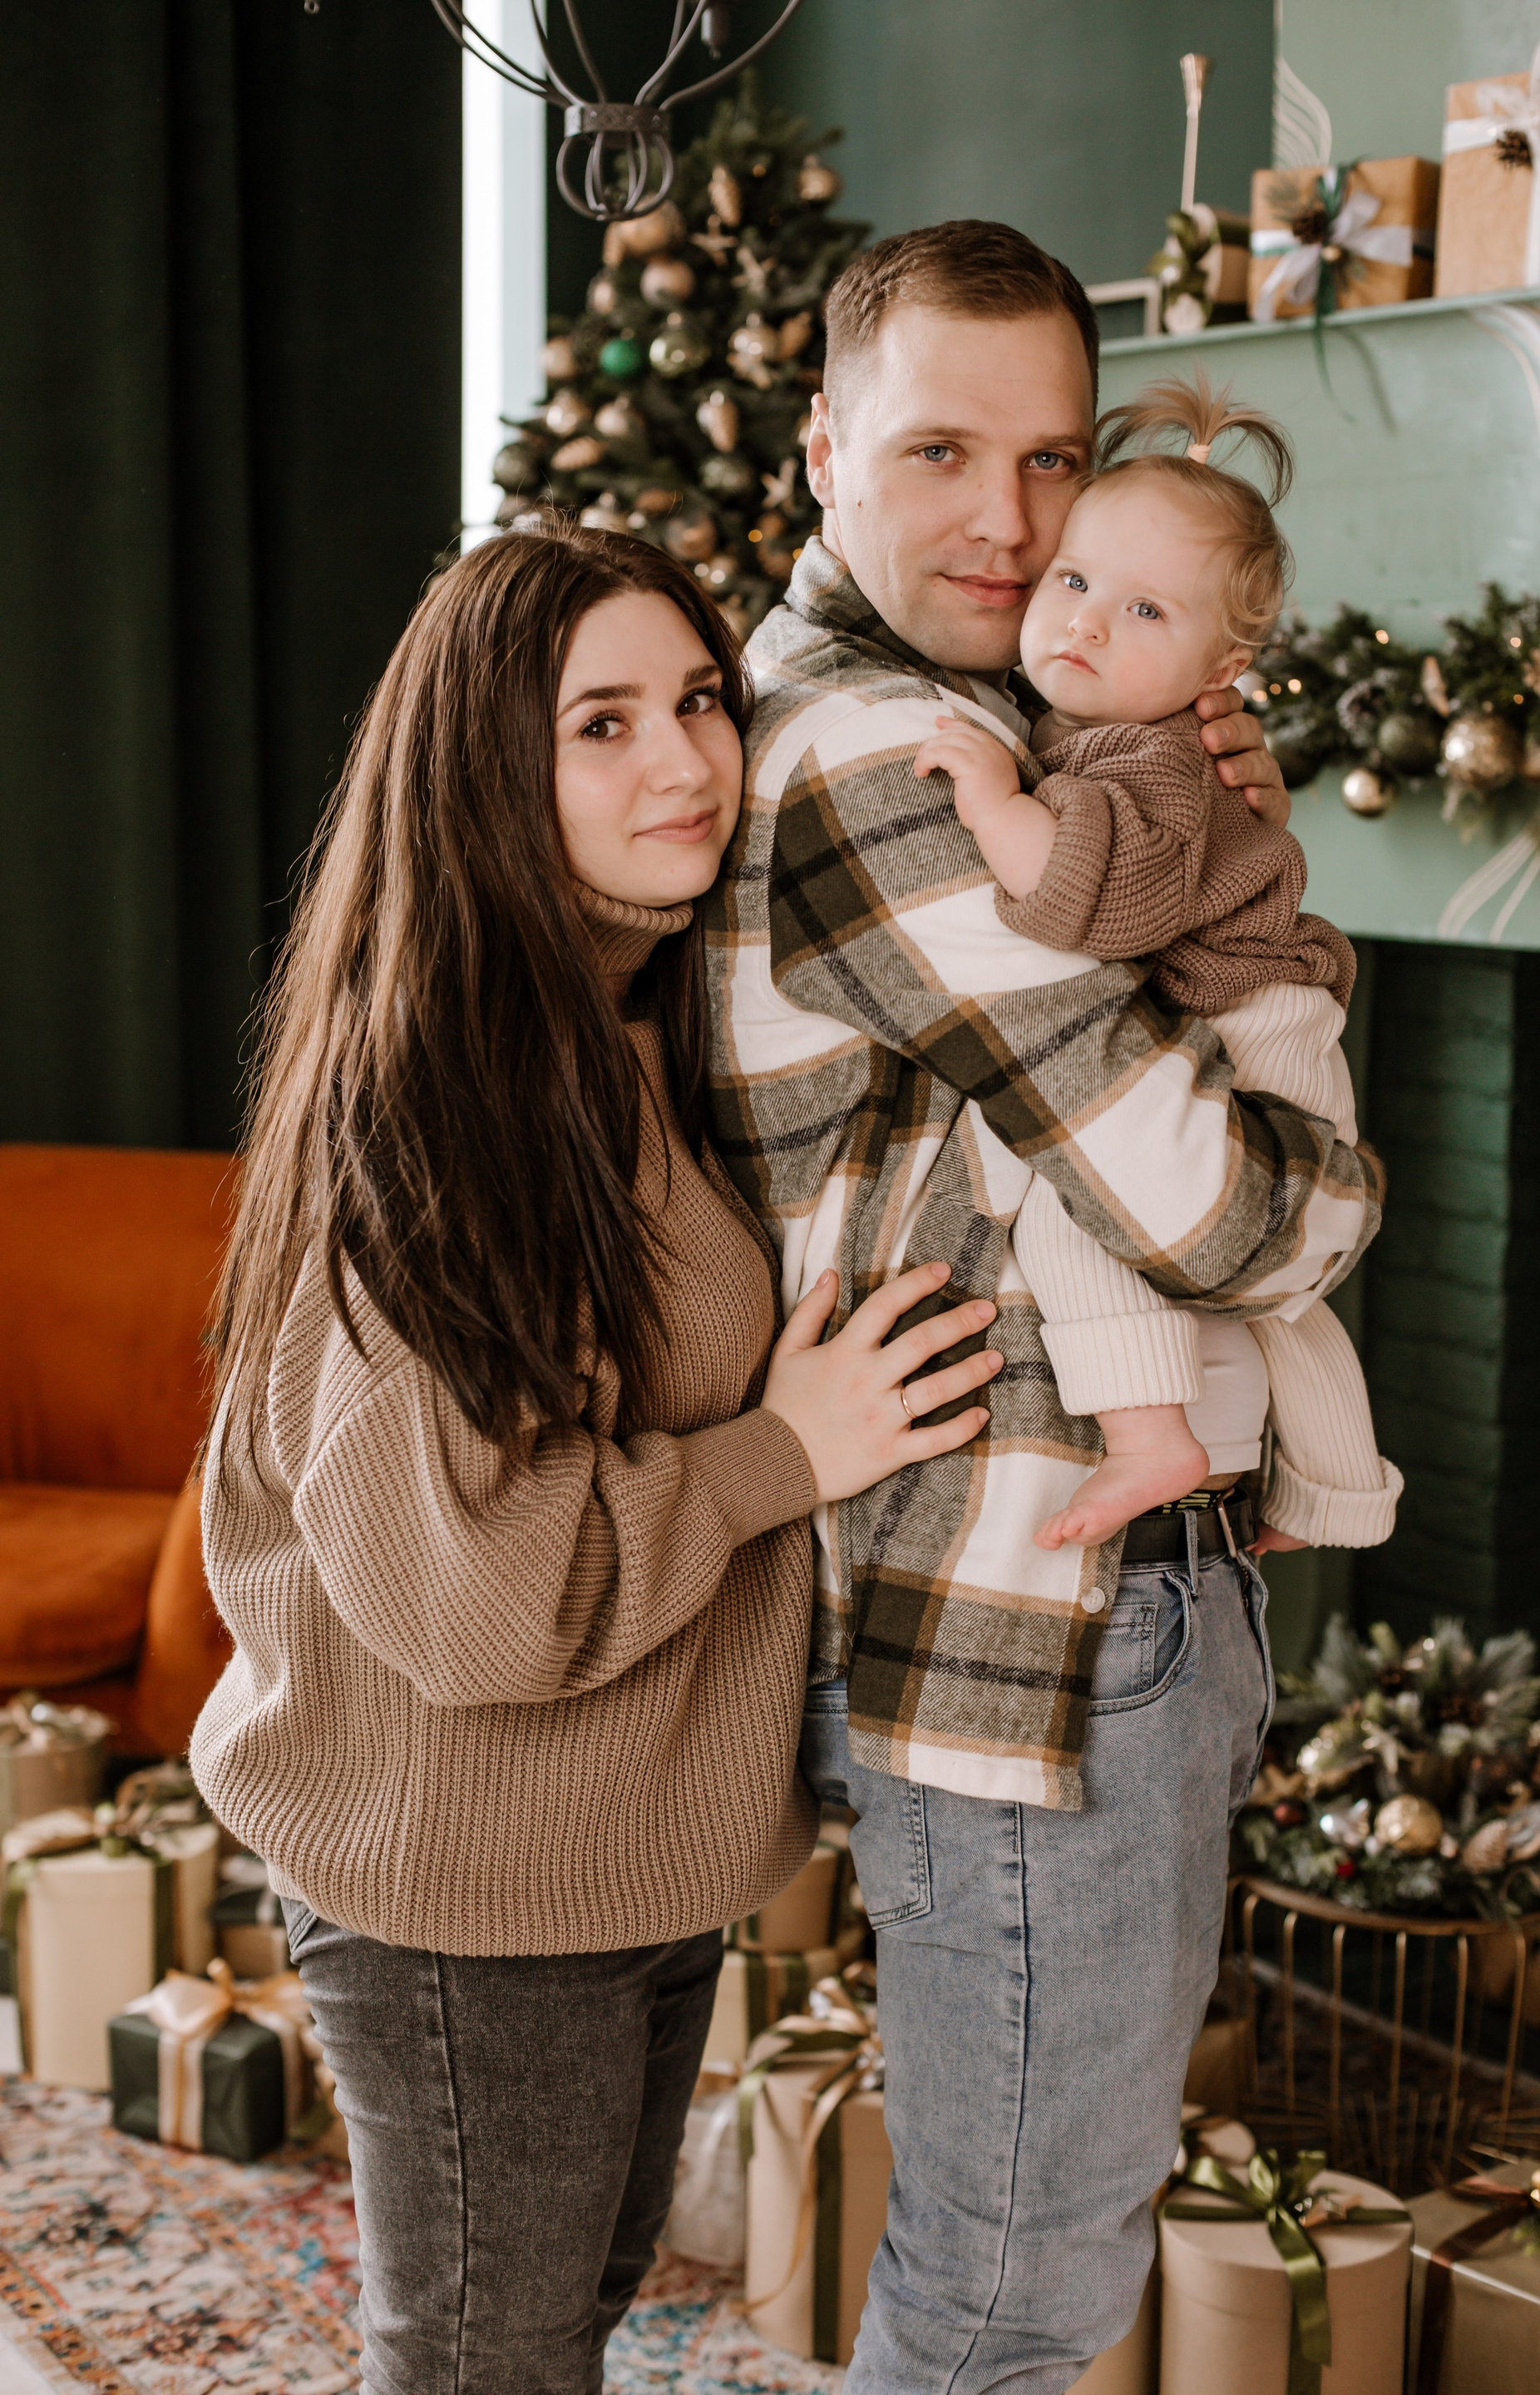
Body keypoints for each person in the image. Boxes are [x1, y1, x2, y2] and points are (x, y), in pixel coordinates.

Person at [190, 526, 1001, 2395]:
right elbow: (483, 1598)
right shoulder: (444, 1105)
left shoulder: (620, 1028)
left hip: (617, 1845)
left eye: (702, 700)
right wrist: (781, 1454)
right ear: (487, 771)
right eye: (603, 724)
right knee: (490, 2356)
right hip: (471, 1875)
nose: (688, 763)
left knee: (558, 2316)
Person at [707, 220, 1385, 2390]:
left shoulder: (1030, 729)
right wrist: (1334, 1161)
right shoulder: (876, 755)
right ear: (825, 445)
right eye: (940, 450)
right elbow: (1230, 1219)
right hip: (1033, 1631)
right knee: (1012, 2303)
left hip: (1075, 1603)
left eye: (1055, 461)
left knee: (1030, 2266)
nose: (1012, 525)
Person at [915, 369, 1401, 1558]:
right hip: (1270, 1009)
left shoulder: (1153, 752)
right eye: (1074, 581)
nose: (1085, 622)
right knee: (1282, 1300)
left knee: (1083, 1200)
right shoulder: (1104, 723)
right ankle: (1339, 1496)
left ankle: (1149, 1437)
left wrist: (993, 802)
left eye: (1144, 611)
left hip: (1259, 1022)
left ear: (1222, 668)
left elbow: (1105, 898)